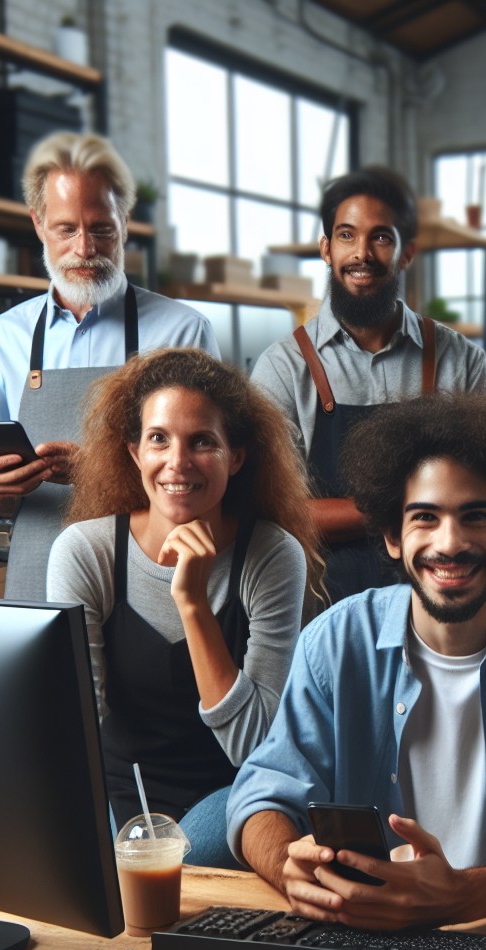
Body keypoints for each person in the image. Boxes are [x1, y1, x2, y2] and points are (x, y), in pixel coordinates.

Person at [227, 391, 486, 928]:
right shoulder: (334, 643)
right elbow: (263, 794)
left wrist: (464, 896)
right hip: (362, 931)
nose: (449, 543)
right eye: (425, 517)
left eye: (475, 516)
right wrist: (287, 866)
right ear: (391, 537)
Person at [47, 349, 321, 867]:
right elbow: (75, 722)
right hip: (118, 798)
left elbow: (256, 746)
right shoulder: (87, 551)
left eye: (202, 442)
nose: (177, 462)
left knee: (180, 866)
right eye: (159, 439)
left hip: (230, 798)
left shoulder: (271, 555)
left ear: (235, 456)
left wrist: (192, 603)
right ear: (133, 452)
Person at [0, 131, 219, 600]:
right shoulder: (3, 339)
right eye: (66, 230)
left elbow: (209, 473)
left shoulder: (182, 333)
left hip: (152, 575)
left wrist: (104, 470)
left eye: (101, 229)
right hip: (40, 570)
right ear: (38, 224)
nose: (84, 249)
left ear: (125, 222)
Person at [252, 166, 486, 605]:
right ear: (326, 248)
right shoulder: (282, 369)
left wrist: (353, 512)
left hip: (443, 601)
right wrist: (413, 509)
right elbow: (274, 512)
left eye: (381, 237)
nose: (362, 253)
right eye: (346, 235)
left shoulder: (461, 360)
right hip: (321, 608)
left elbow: (481, 492)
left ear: (407, 253)